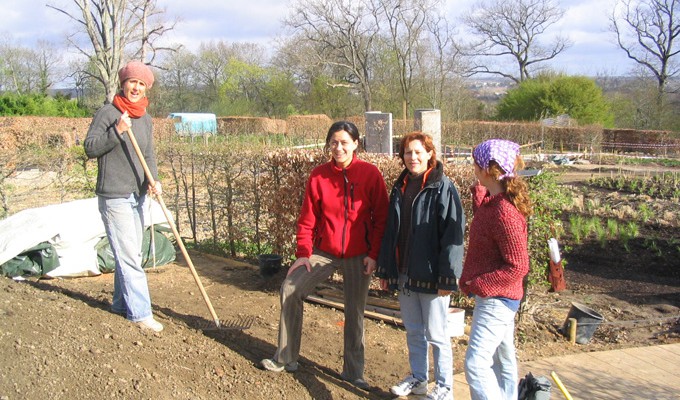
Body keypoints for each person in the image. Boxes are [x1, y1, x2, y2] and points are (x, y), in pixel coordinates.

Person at [260, 121, 389, 391]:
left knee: (354, 311)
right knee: (290, 289)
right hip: (323, 252)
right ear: (328, 145)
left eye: (344, 142)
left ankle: (353, 372)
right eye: (334, 142)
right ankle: (286, 357)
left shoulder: (370, 174)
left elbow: (381, 220)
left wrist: (373, 254)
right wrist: (303, 254)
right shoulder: (319, 176)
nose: (338, 147)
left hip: (359, 254)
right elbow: (307, 219)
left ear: (356, 144)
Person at [376, 132, 465, 400]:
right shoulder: (399, 187)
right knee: (414, 331)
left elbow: (453, 234)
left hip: (431, 275)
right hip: (404, 272)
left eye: (418, 152)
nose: (412, 157)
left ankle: (445, 387)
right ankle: (418, 379)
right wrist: (387, 269)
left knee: (437, 335)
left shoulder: (442, 187)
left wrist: (448, 277)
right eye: (407, 152)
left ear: (429, 154)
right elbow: (391, 231)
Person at [84, 60, 163, 333]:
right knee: (129, 255)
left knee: (131, 254)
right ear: (124, 83)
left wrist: (154, 180)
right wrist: (116, 131)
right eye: (133, 82)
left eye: (142, 84)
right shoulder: (108, 113)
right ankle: (141, 314)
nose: (136, 87)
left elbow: (148, 154)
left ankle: (120, 304)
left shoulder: (146, 119)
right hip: (114, 195)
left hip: (138, 195)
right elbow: (90, 148)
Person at [459, 139, 532, 400]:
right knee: (503, 361)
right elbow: (490, 233)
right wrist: (480, 199)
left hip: (497, 299)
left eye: (476, 164)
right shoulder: (496, 203)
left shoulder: (504, 212)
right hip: (503, 297)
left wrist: (479, 284)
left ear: (487, 169)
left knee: (476, 364)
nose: (473, 168)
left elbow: (518, 265)